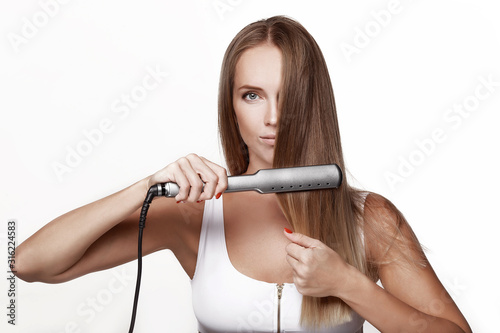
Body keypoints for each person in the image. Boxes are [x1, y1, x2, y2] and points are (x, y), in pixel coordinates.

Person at [15, 16, 471, 332]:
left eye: (287, 94)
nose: (272, 117)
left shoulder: (368, 218)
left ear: (313, 103)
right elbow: (29, 264)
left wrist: (347, 285)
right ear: (231, 108)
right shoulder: (195, 215)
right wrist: (144, 188)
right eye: (252, 95)